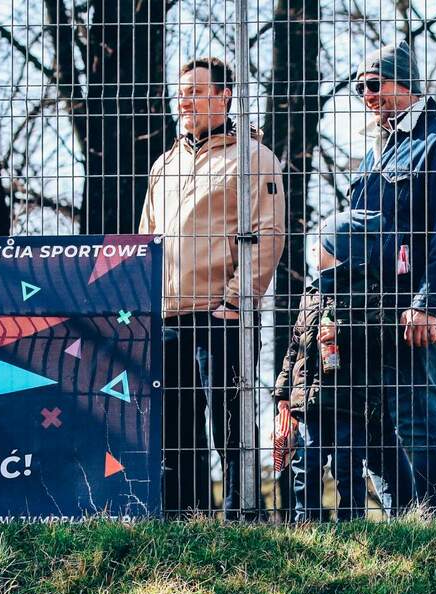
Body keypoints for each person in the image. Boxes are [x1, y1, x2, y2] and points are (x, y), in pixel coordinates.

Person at [139, 57, 286, 518]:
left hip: (222, 315)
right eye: (181, 93)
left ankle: (244, 519)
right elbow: (146, 239)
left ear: (225, 96)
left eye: (197, 92)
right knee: (175, 433)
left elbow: (269, 232)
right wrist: (146, 305)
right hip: (167, 318)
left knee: (230, 425)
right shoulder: (163, 165)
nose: (185, 101)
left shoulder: (254, 157)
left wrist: (237, 300)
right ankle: (186, 526)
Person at [350, 41, 436, 515]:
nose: (366, 96)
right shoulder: (374, 154)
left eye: (373, 84)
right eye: (359, 88)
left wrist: (430, 302)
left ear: (404, 82)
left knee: (418, 417)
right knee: (371, 423)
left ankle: (432, 523)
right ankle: (404, 523)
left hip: (412, 311)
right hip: (366, 312)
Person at [272, 211, 414, 521]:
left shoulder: (367, 292)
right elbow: (294, 347)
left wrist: (343, 332)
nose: (313, 250)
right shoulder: (310, 295)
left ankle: (352, 520)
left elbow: (381, 335)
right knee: (306, 462)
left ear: (339, 250)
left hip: (351, 399)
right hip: (310, 400)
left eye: (321, 244)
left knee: (347, 463)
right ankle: (306, 520)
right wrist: (283, 393)